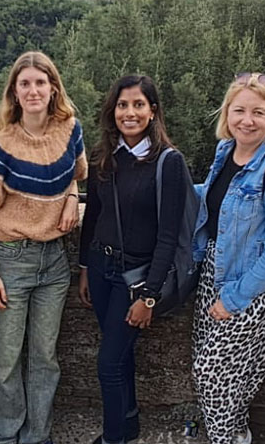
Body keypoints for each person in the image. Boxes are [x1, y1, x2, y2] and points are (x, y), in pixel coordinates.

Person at [0, 51, 87, 444]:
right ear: (15, 92)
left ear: (53, 87)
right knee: (5, 361)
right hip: (11, 260)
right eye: (25, 83)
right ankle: (4, 435)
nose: (34, 90)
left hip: (55, 260)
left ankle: (37, 436)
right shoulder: (1, 146)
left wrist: (73, 197)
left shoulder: (71, 129)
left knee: (45, 358)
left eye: (41, 82)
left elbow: (76, 175)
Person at [78, 75, 188, 444]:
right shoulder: (104, 157)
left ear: (152, 111)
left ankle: (112, 438)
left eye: (139, 105)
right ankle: (128, 424)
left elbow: (169, 237)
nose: (130, 112)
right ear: (113, 111)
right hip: (99, 268)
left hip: (135, 278)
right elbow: (92, 215)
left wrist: (149, 296)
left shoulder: (168, 163)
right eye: (123, 105)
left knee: (107, 364)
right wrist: (83, 268)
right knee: (120, 357)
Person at [191, 72, 265, 444]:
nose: (247, 120)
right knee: (231, 374)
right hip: (213, 270)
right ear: (227, 113)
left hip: (254, 286)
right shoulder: (225, 152)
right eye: (239, 111)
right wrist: (165, 183)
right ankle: (236, 435)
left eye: (257, 112)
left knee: (212, 374)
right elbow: (216, 197)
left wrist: (233, 298)